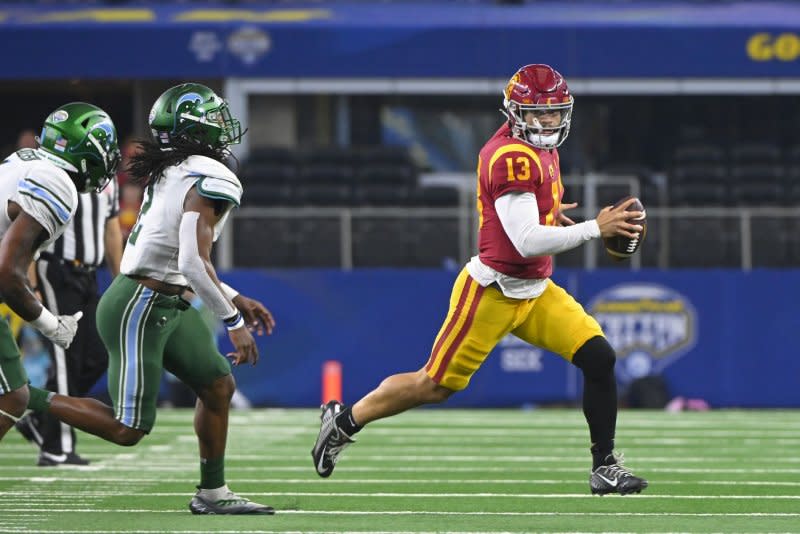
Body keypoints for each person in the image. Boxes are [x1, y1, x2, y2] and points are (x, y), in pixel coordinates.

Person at [311, 64, 649, 496]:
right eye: (538, 113)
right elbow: (526, 241)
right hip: (493, 290)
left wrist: (552, 214)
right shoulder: (510, 156)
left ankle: (604, 466)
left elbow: (531, 218)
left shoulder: (542, 149)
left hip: (535, 290)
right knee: (432, 386)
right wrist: (592, 228)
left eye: (554, 113)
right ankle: (342, 422)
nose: (548, 122)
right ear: (514, 112)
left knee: (599, 358)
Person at [21, 83, 277, 515]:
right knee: (128, 429)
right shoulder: (208, 176)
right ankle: (23, 397)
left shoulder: (175, 170)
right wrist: (233, 322)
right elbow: (194, 262)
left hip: (162, 300)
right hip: (140, 304)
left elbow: (177, 256)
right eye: (212, 119)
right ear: (193, 129)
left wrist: (234, 295)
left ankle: (212, 494)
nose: (222, 127)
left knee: (217, 385)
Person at [0, 102, 120, 441]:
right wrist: (52, 325)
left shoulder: (28, 160)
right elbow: (7, 274)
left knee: (15, 393)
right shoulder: (58, 185)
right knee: (14, 395)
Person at [15, 158, 123, 466]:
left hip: (89, 274)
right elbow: (33, 231)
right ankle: (56, 447)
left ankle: (40, 419)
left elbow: (112, 230)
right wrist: (32, 284)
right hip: (57, 270)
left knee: (99, 355)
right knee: (65, 358)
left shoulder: (108, 181)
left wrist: (119, 279)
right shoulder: (55, 177)